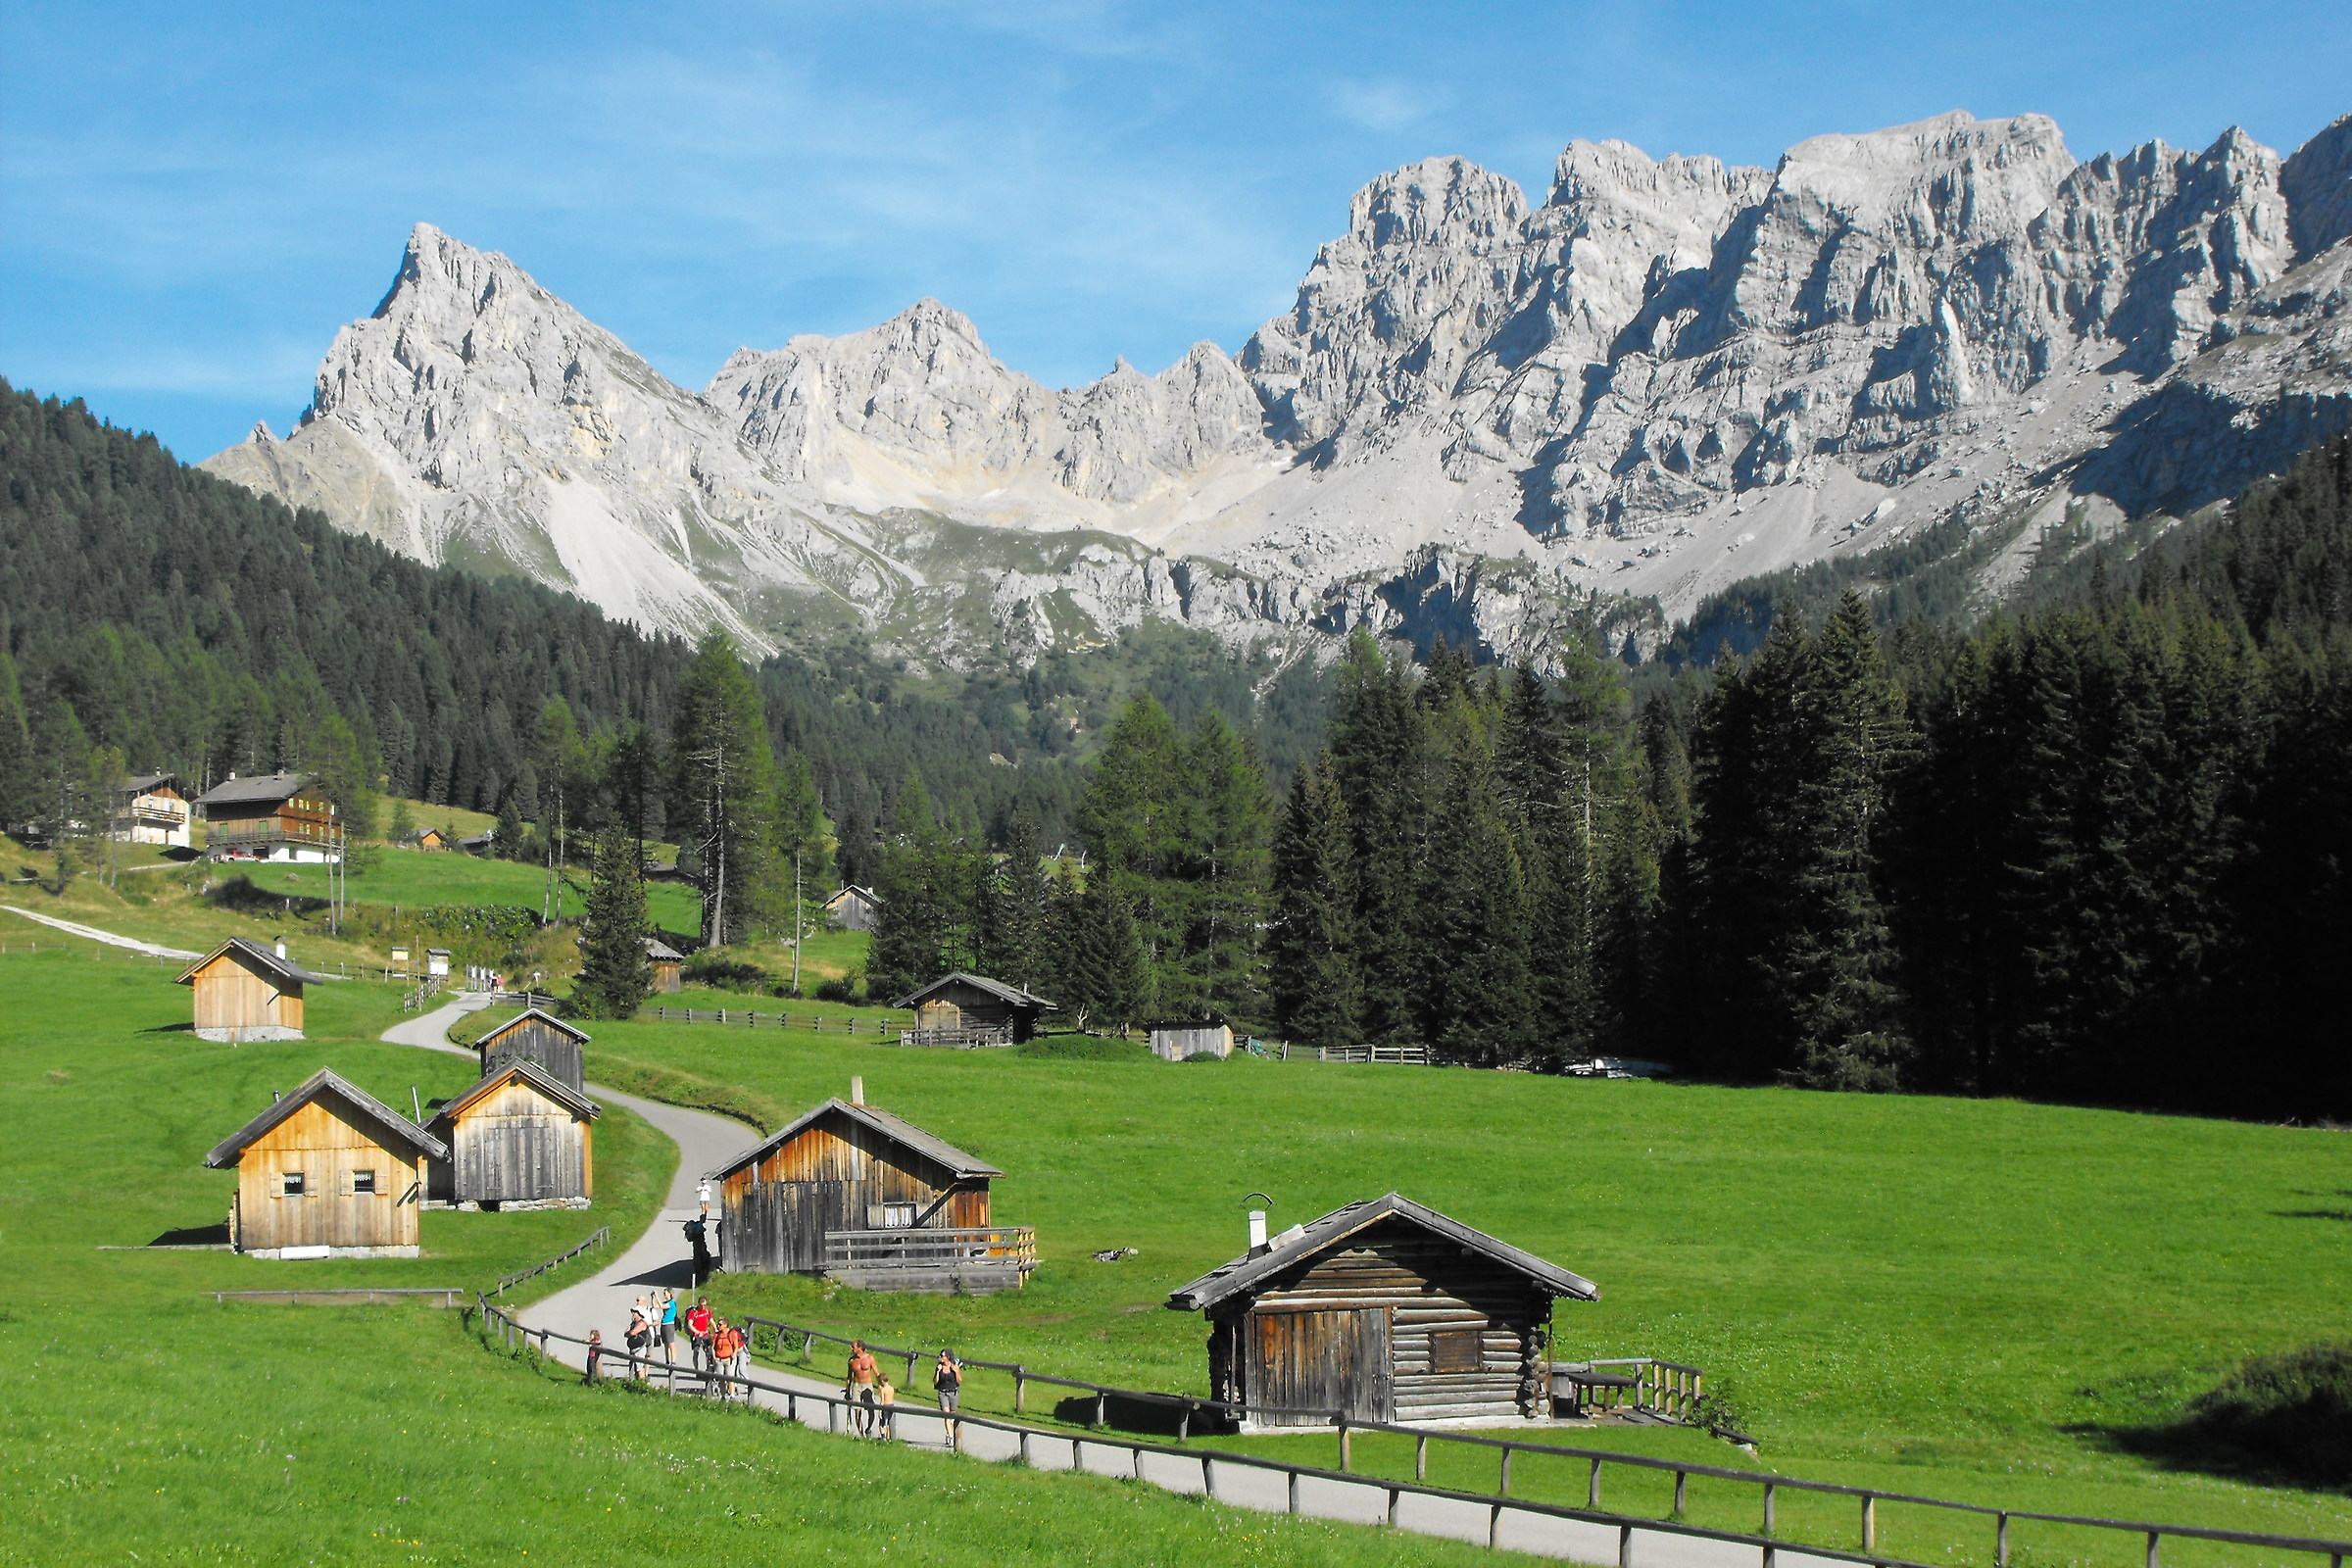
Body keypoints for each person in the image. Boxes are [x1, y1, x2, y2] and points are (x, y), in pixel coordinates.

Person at [847, 1340, 878, 1436]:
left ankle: (868, 1428)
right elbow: (849, 1377)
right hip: (856, 1385)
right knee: (857, 1411)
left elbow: (876, 1373)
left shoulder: (870, 1358)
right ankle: (862, 1435)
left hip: (867, 1385)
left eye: (853, 1347)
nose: (851, 1349)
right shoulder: (851, 1361)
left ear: (859, 1348)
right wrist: (847, 1390)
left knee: (871, 1410)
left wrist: (883, 1386)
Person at [684, 1210, 712, 1288]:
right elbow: (703, 1231)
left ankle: (698, 1279)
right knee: (705, 1260)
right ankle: (703, 1278)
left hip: (696, 1247)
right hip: (700, 1246)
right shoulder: (699, 1225)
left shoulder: (695, 1226)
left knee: (697, 1263)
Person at [624, 1301, 651, 1382]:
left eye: (635, 1312)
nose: (633, 1314)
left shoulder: (642, 1323)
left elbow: (632, 1332)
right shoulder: (633, 1323)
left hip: (640, 1348)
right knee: (633, 1367)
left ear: (639, 1314)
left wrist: (631, 1333)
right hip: (633, 1347)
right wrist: (630, 1333)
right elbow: (625, 1333)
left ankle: (642, 1385)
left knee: (639, 1368)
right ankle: (635, 1383)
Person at [686, 1297, 714, 1370]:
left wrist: (716, 1329)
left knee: (709, 1352)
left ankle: (708, 1369)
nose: (703, 1307)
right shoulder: (694, 1312)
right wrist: (697, 1332)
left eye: (704, 1305)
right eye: (701, 1305)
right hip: (697, 1335)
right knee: (696, 1352)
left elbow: (712, 1321)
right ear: (698, 1304)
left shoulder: (707, 1311)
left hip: (705, 1334)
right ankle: (696, 1370)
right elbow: (690, 1324)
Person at [658, 1290, 679, 1365]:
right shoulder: (666, 1303)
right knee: (666, 1344)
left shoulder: (672, 1303)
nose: (664, 1294)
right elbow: (656, 1306)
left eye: (665, 1293)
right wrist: (653, 1297)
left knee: (671, 1343)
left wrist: (656, 1296)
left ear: (670, 1294)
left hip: (669, 1324)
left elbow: (661, 1306)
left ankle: (673, 1360)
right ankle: (667, 1360)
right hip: (663, 1324)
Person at [874, 1372, 897, 1440]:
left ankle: (883, 1437)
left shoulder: (883, 1390)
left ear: (882, 1381)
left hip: (885, 1406)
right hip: (891, 1405)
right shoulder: (891, 1388)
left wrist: (879, 1410)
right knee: (889, 1423)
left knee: (882, 1424)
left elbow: (882, 1400)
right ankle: (889, 1437)